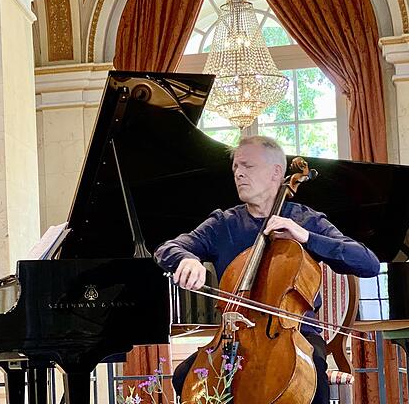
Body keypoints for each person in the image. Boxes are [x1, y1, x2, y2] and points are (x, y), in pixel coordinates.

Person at [154, 135, 380, 404]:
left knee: (313, 379)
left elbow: (368, 263)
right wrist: (185, 259)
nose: (238, 173)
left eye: (248, 166)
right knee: (184, 377)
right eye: (236, 167)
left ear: (276, 173)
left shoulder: (306, 220)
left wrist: (306, 237)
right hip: (231, 339)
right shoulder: (223, 223)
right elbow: (166, 249)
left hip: (295, 336)